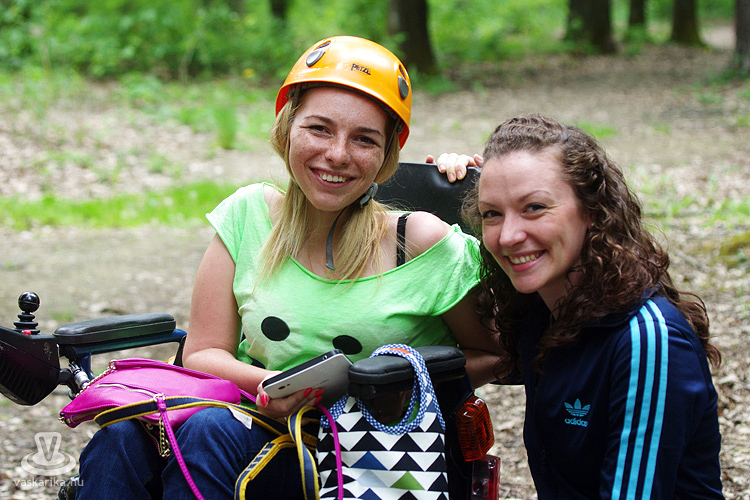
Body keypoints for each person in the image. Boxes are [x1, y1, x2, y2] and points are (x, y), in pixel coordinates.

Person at [73, 36, 499, 499]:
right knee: (120, 437)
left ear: (386, 155)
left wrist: (397, 384)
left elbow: (495, 353)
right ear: (286, 129)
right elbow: (204, 351)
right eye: (319, 129)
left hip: (363, 452)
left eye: (364, 139)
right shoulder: (248, 215)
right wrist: (270, 387)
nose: (337, 154)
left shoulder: (419, 243)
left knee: (208, 432)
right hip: (250, 416)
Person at [441, 114, 724, 498]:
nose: (508, 236)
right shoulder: (542, 310)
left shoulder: (646, 340)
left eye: (534, 207)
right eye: (492, 213)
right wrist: (443, 187)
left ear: (592, 211)